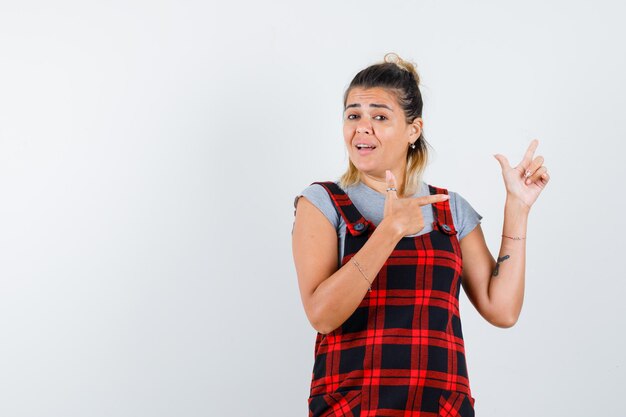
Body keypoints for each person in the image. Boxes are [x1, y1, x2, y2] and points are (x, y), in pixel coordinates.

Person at [291, 53, 549, 417]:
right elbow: (322, 315)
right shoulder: (322, 202)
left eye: (380, 116)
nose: (362, 127)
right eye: (353, 115)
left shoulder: (449, 209)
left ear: (414, 129)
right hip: (352, 409)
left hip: (439, 409)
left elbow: (502, 309)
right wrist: (390, 230)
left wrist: (517, 208)